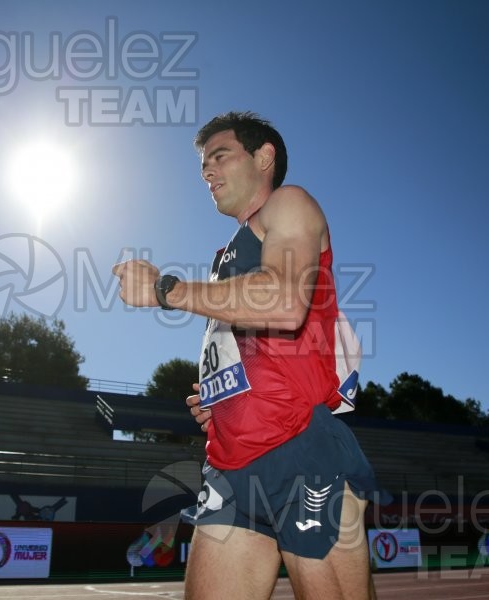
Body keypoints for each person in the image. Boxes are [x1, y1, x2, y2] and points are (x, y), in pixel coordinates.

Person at [112, 112, 389, 599]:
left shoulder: (290, 204)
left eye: (219, 157)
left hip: (300, 451)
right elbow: (253, 350)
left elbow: (283, 302)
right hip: (229, 466)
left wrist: (165, 290)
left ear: (264, 157)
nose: (208, 173)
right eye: (202, 167)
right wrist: (221, 401)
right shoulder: (226, 255)